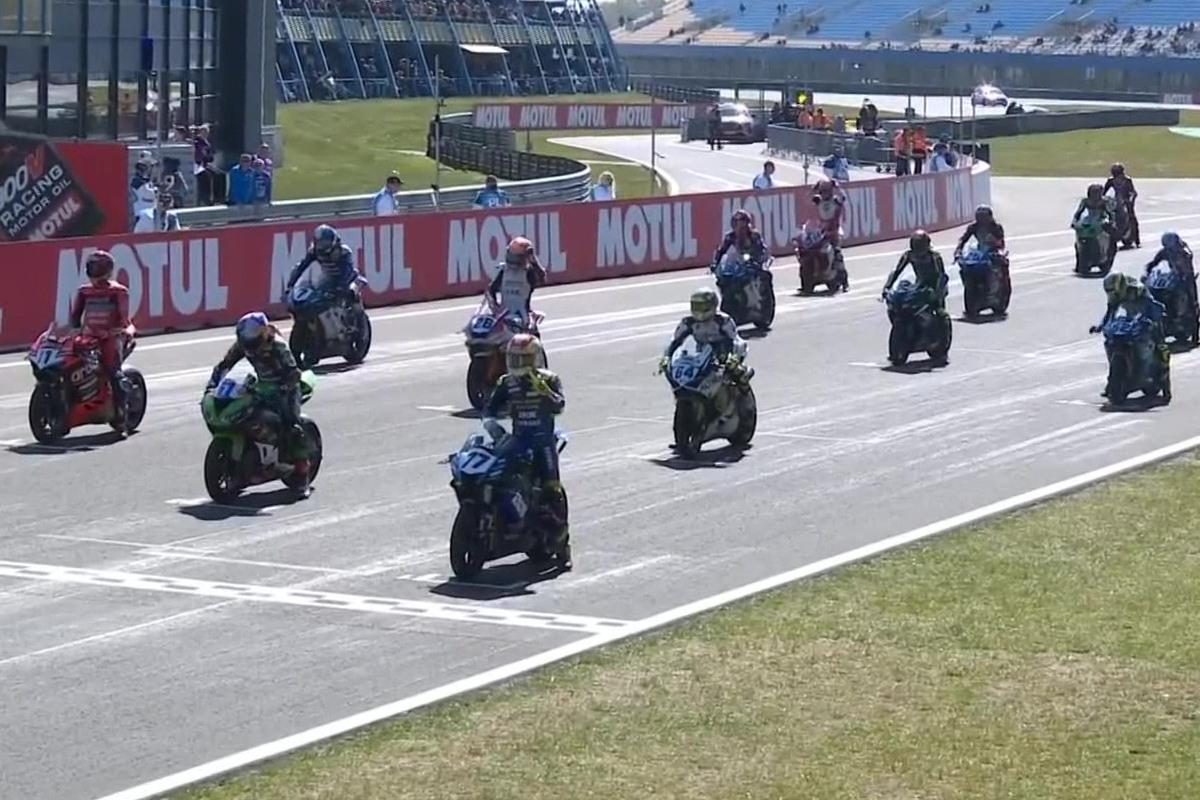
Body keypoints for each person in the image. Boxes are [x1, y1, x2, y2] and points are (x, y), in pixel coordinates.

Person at [482, 334, 570, 564]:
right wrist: (491, 425)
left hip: (543, 442)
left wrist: (545, 392)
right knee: (495, 474)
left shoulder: (550, 378)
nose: (517, 363)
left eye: (523, 359)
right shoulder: (506, 382)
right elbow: (490, 408)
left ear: (534, 358)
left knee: (552, 489)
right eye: (514, 358)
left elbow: (560, 406)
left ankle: (562, 542)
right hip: (518, 440)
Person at [207, 312, 312, 495]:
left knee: (292, 426)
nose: (248, 340)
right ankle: (247, 461)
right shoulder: (243, 345)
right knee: (244, 411)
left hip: (286, 389)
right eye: (245, 336)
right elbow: (225, 364)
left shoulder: (278, 346)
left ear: (263, 332)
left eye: (252, 335)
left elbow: (293, 373)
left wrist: (283, 388)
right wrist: (212, 384)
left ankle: (302, 476)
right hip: (262, 387)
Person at [658, 288, 749, 422]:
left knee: (735, 371)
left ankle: (745, 402)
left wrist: (733, 356)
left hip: (723, 351)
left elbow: (734, 339)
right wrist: (667, 357)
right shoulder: (688, 322)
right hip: (702, 352)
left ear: (713, 305)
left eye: (703, 306)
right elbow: (675, 341)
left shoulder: (723, 320)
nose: (699, 311)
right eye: (696, 306)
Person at [67, 250, 132, 422]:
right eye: (92, 268)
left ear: (108, 270)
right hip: (88, 338)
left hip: (110, 338)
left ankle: (121, 415)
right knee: (68, 360)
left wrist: (126, 331)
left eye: (98, 268)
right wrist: (72, 333)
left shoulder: (118, 291)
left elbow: (125, 320)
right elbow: (74, 317)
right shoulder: (84, 291)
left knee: (113, 372)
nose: (95, 273)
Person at [1089, 272, 1167, 400]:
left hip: (1145, 312)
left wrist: (1151, 319)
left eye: (1113, 291)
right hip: (1129, 319)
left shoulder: (1137, 290)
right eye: (1109, 292)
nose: (1112, 295)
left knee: (1159, 341)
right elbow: (1110, 312)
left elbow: (1150, 305)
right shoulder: (1114, 295)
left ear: (1120, 286)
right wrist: (1101, 326)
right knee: (1111, 341)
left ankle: (1164, 378)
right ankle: (1112, 382)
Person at [283, 224, 362, 319]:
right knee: (315, 297)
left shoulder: (343, 251)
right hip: (327, 279)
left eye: (326, 242)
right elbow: (301, 267)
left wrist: (339, 287)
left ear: (333, 240)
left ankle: (358, 316)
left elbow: (346, 271)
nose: (323, 245)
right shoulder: (314, 251)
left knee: (351, 292)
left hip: (347, 279)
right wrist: (291, 285)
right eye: (320, 242)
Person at [881, 230, 950, 318]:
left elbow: (941, 275)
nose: (919, 250)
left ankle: (940, 317)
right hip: (919, 285)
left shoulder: (934, 257)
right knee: (901, 303)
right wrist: (887, 287)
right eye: (917, 245)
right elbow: (896, 271)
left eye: (920, 245)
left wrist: (937, 293)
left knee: (940, 312)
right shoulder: (909, 255)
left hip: (935, 286)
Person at [487, 236, 547, 330]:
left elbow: (541, 279)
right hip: (503, 314)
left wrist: (533, 261)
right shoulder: (504, 270)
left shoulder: (529, 271)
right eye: (511, 255)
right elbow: (491, 289)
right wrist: (494, 305)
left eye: (516, 257)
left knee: (531, 335)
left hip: (522, 317)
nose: (512, 259)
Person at [952, 204, 1010, 294]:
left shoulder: (996, 227)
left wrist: (995, 242)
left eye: (983, 217)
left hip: (993, 249)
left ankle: (1004, 287)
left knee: (1002, 262)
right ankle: (970, 284)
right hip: (980, 250)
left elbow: (1001, 243)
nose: (982, 220)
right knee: (965, 265)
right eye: (980, 217)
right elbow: (963, 239)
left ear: (989, 217)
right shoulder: (973, 227)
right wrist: (958, 250)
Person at [810, 179, 850, 291]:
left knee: (837, 254)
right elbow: (806, 199)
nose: (824, 194)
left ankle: (845, 282)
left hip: (835, 231)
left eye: (827, 191)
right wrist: (814, 188)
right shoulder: (818, 200)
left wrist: (837, 187)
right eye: (822, 191)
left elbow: (843, 197)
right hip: (822, 231)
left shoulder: (836, 201)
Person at [1144, 231, 1197, 311]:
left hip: (1185, 274)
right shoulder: (1165, 251)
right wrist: (1148, 270)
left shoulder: (1184, 251)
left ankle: (1193, 308)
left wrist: (1182, 274)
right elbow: (1155, 262)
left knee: (1189, 288)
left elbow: (1186, 265)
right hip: (1173, 273)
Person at [1071, 183, 1117, 266]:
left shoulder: (1104, 202)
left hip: (1101, 219)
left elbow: (1110, 213)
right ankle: (1079, 253)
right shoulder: (1085, 201)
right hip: (1089, 220)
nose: (1095, 195)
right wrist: (1074, 222)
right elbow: (1078, 213)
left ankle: (1108, 253)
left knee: (1110, 233)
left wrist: (1112, 222)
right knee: (1080, 235)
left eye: (1097, 193)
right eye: (1093, 193)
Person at [1103, 162, 1140, 248]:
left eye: (1118, 173)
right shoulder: (1110, 181)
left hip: (1126, 202)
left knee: (1132, 219)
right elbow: (1104, 192)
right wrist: (1104, 199)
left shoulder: (1127, 180)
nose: (1117, 176)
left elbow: (1133, 192)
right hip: (1116, 202)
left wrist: (1130, 200)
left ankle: (1137, 241)